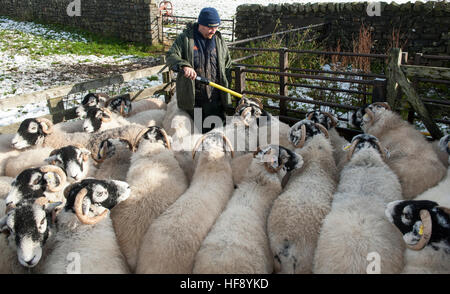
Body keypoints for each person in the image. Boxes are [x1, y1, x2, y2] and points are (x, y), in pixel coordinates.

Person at [166, 7, 232, 133]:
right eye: (210, 27)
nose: (213, 30)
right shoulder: (185, 39)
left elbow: (227, 64)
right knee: (197, 137)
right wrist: (183, 65)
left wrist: (227, 88)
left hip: (216, 100)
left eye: (216, 27)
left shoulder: (219, 40)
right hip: (195, 101)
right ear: (201, 24)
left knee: (218, 137)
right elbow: (171, 55)